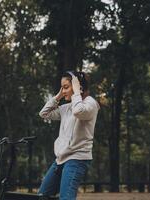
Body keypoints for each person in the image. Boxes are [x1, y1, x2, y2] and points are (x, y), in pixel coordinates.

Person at [38, 71, 100, 200]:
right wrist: (59, 96)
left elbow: (78, 111)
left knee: (66, 198)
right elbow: (44, 114)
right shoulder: (66, 108)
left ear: (78, 87)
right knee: (42, 196)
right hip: (60, 158)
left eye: (66, 87)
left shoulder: (91, 104)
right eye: (62, 88)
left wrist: (76, 92)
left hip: (77, 158)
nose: (63, 91)